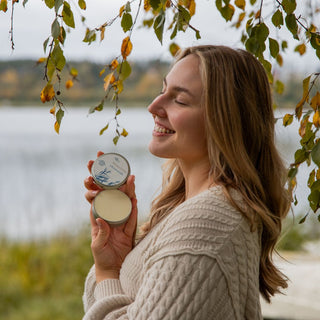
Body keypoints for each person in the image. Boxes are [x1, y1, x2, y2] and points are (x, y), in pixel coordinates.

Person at [82, 45, 291, 319]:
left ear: (223, 122)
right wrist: (115, 260)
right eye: (163, 90)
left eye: (179, 100)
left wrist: (108, 272)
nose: (154, 106)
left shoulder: (207, 221)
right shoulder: (185, 208)